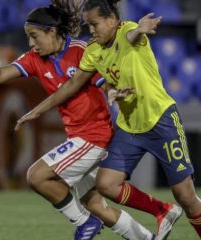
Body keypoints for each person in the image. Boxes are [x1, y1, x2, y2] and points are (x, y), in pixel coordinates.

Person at [0, 3, 157, 240]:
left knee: (36, 176)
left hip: (95, 137)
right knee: (95, 204)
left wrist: (113, 92)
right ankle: (147, 239)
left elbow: (106, 79)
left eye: (34, 36)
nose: (31, 44)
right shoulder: (34, 59)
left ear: (52, 31)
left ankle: (85, 222)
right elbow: (1, 73)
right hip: (79, 138)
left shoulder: (83, 51)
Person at [15, 0, 201, 238]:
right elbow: (74, 83)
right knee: (105, 185)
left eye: (94, 24)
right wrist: (39, 110)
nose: (91, 30)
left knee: (185, 196)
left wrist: (140, 29)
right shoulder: (93, 50)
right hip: (129, 127)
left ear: (112, 21)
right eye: (88, 25)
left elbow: (132, 37)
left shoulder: (127, 31)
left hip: (161, 120)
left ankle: (172, 212)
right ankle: (161, 211)